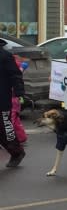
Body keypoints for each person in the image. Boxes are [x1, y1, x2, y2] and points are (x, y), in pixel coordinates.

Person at [0, 37, 25, 167]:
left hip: (2, 100)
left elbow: (15, 75)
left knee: (5, 129)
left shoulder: (5, 55)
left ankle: (17, 152)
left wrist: (20, 92)